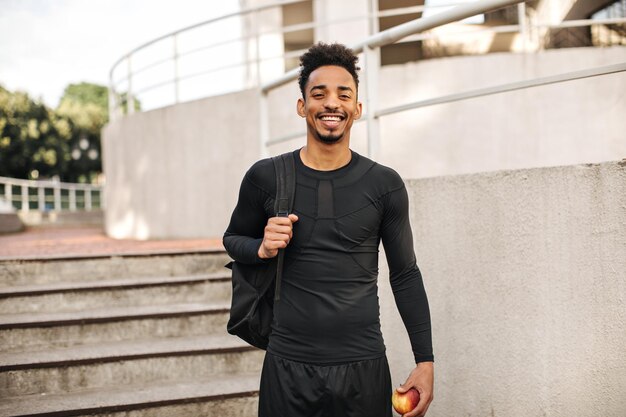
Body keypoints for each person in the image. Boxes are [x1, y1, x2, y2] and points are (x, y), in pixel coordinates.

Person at [223, 42, 434, 417]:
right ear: (303, 106)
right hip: (287, 365)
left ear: (358, 109)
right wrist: (261, 248)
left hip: (363, 367)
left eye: (344, 94)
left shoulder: (384, 184)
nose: (331, 104)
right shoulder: (266, 176)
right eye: (318, 94)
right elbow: (232, 239)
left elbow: (405, 274)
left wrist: (425, 360)